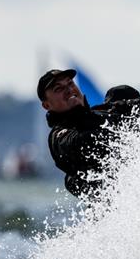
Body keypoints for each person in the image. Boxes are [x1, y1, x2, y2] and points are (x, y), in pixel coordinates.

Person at [38, 68, 118, 197]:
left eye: (70, 84)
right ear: (47, 105)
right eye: (58, 89)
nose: (69, 90)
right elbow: (84, 143)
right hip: (116, 197)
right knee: (72, 181)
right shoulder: (59, 136)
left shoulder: (103, 112)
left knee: (120, 92)